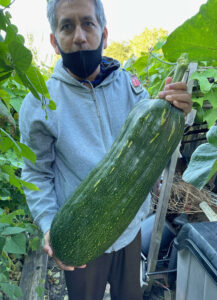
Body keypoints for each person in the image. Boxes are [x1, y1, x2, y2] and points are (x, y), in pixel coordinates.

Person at [19, 0, 192, 299]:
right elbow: (35, 173)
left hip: (129, 228)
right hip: (79, 233)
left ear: (104, 33)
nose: (79, 37)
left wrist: (181, 113)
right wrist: (49, 224)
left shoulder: (131, 86)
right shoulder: (39, 103)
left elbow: (159, 145)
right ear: (53, 41)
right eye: (67, 26)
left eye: (88, 23)